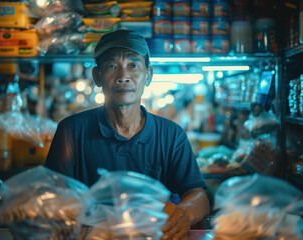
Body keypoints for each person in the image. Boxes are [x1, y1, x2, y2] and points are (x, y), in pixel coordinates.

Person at [45, 29, 210, 239]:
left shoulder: (171, 134)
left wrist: (184, 213)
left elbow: (199, 196)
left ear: (148, 75)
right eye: (112, 66)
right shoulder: (71, 130)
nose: (123, 77)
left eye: (133, 66)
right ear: (97, 76)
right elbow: (51, 196)